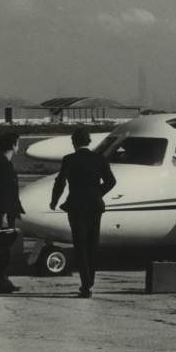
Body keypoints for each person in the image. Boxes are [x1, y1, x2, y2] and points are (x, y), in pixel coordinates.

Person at [49, 127, 116, 298]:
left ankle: (86, 284)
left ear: (74, 143)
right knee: (93, 244)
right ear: (89, 142)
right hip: (94, 206)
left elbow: (60, 182)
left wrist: (54, 201)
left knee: (80, 245)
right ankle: (90, 282)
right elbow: (110, 181)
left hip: (76, 205)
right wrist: (96, 194)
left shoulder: (69, 159)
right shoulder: (99, 159)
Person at [0, 132, 25, 293]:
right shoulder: (3, 164)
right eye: (17, 143)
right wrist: (3, 214)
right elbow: (2, 191)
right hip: (2, 213)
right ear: (13, 145)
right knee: (1, 249)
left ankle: (1, 280)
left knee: (2, 248)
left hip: (5, 211)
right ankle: (0, 281)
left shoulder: (2, 162)